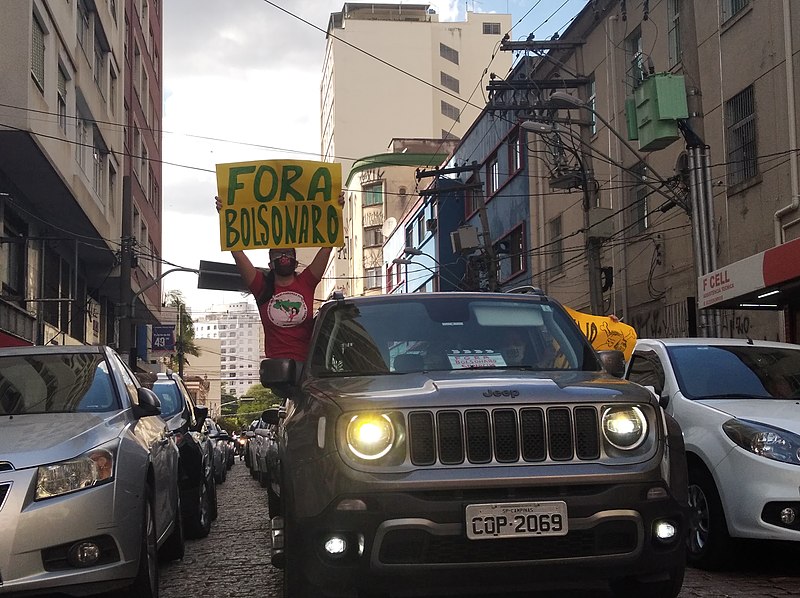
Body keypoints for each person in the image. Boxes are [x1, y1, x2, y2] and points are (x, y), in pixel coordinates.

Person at [214, 194, 344, 369]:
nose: (284, 257)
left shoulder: (306, 281)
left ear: (296, 262)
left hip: (308, 367)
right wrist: (225, 215)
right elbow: (237, 251)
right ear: (270, 263)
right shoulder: (261, 286)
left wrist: (336, 210)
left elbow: (328, 246)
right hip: (276, 369)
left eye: (288, 253)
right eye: (278, 254)